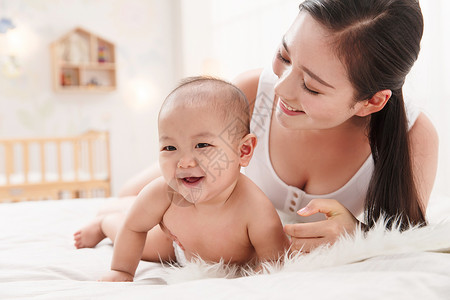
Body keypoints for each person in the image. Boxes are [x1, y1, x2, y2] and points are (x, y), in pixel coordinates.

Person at [78, 0, 439, 254]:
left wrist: (355, 233)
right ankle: (106, 221)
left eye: (312, 86)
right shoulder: (254, 94)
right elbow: (174, 186)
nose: (280, 87)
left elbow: (404, 241)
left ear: (371, 102)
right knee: (132, 206)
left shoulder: (412, 139)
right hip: (217, 222)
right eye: (284, 55)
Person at [75, 77, 289, 282]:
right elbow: (134, 228)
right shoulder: (163, 193)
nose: (184, 162)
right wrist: (121, 270)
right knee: (142, 243)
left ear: (243, 150)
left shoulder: (255, 208)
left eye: (202, 145)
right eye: (170, 147)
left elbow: (274, 262)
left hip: (219, 257)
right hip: (178, 246)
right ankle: (105, 224)